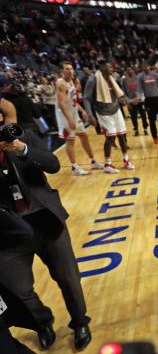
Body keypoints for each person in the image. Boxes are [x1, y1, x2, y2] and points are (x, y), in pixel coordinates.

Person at [0, 110, 92, 351]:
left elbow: (53, 164)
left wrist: (23, 150)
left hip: (45, 221)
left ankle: (80, 322)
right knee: (18, 289)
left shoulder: (24, 137)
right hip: (9, 233)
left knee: (69, 279)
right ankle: (43, 323)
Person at [84, 60, 134, 173]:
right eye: (109, 67)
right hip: (103, 112)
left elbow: (117, 95)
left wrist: (127, 100)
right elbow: (86, 97)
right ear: (102, 68)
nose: (112, 69)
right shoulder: (93, 79)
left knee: (122, 135)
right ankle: (108, 163)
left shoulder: (112, 79)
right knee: (111, 136)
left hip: (116, 109)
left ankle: (126, 160)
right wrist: (89, 114)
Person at [54, 61, 103, 175]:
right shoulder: (61, 83)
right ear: (62, 72)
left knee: (84, 136)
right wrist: (70, 119)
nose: (70, 71)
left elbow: (73, 100)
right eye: (67, 69)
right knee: (71, 141)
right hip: (64, 116)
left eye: (71, 68)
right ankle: (74, 167)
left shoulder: (72, 81)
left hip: (74, 114)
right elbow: (61, 104)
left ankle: (93, 161)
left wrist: (83, 111)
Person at [137, 60, 158, 145]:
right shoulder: (140, 77)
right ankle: (155, 137)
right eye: (144, 66)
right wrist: (140, 98)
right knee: (152, 121)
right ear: (142, 67)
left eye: (147, 66)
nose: (146, 67)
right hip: (148, 101)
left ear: (149, 66)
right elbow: (139, 89)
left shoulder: (156, 75)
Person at [123, 67, 148, 137]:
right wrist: (128, 102)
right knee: (133, 117)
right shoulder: (124, 80)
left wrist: (139, 98)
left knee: (143, 115)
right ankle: (136, 130)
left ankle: (145, 129)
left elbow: (143, 89)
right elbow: (124, 92)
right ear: (126, 72)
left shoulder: (138, 78)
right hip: (131, 101)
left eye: (131, 70)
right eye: (128, 70)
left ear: (134, 71)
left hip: (140, 100)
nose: (130, 71)